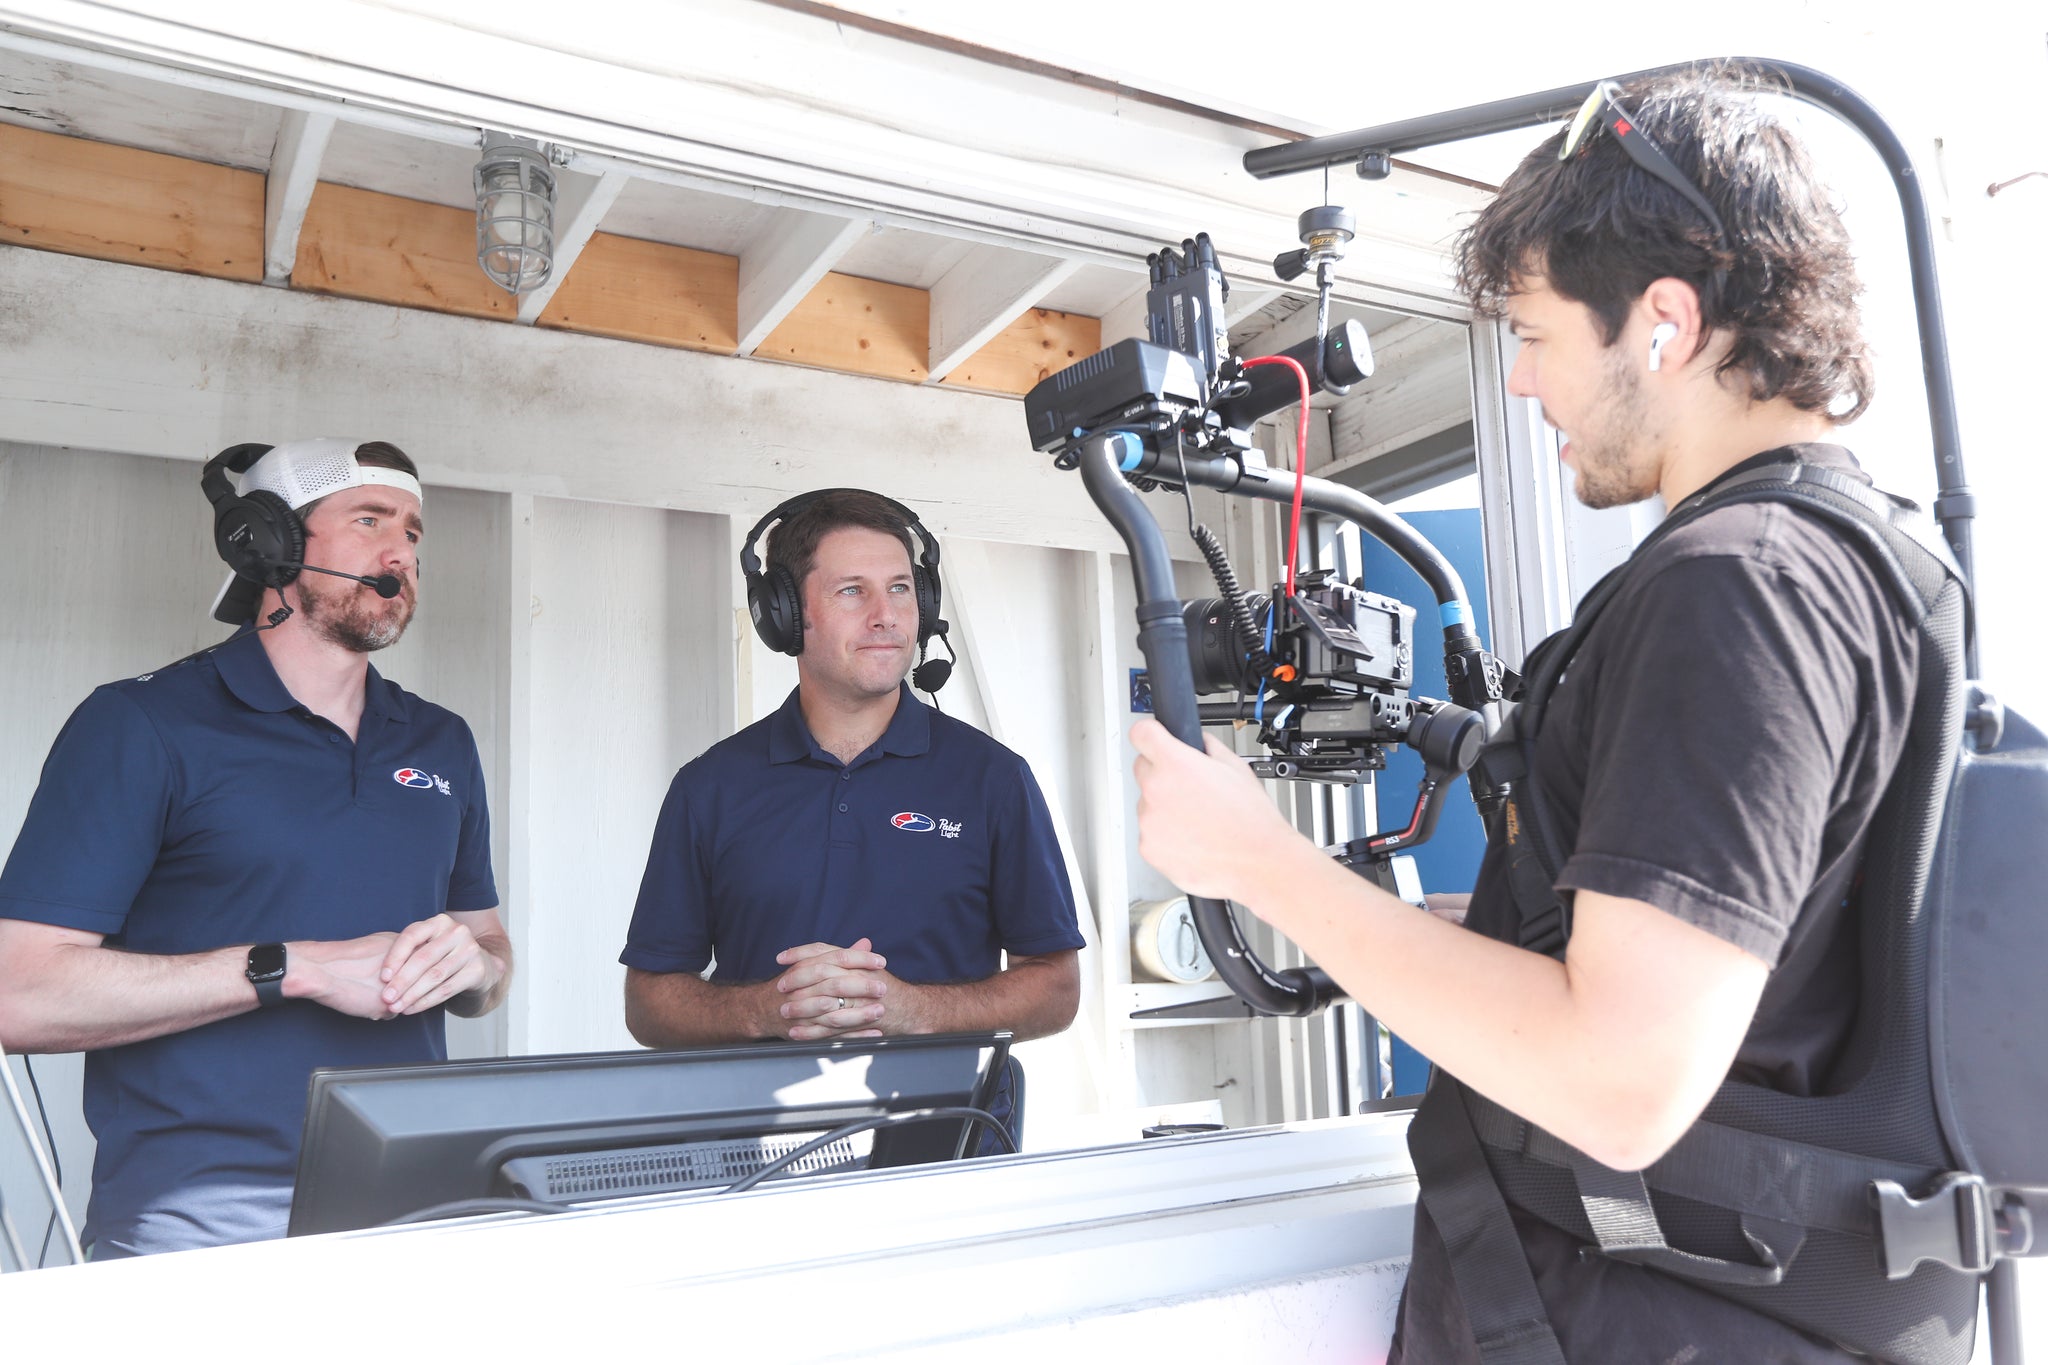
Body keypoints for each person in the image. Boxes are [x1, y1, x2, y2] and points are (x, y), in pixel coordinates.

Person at [1130, 67, 1916, 1362]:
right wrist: (1479, 937)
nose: (1518, 384)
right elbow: (1762, 986)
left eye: (1538, 336)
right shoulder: (1866, 562)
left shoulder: (1738, 587)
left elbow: (1618, 1084)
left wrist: (1257, 862)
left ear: (1664, 323)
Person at [0, 438, 512, 1257]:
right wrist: (296, 968)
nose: (402, 554)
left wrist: (476, 970)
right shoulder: (141, 724)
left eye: (413, 532)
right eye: (371, 521)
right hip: (197, 1230)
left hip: (411, 1216)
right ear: (266, 541)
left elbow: (488, 947)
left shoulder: (442, 740)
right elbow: (19, 994)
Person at [621, 488, 1083, 1142]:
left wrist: (914, 1010)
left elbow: (1057, 988)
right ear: (784, 614)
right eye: (851, 591)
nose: (886, 616)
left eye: (900, 589)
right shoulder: (710, 786)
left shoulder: (994, 778)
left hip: (950, 1143)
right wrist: (765, 1010)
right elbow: (648, 1003)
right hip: (757, 1152)